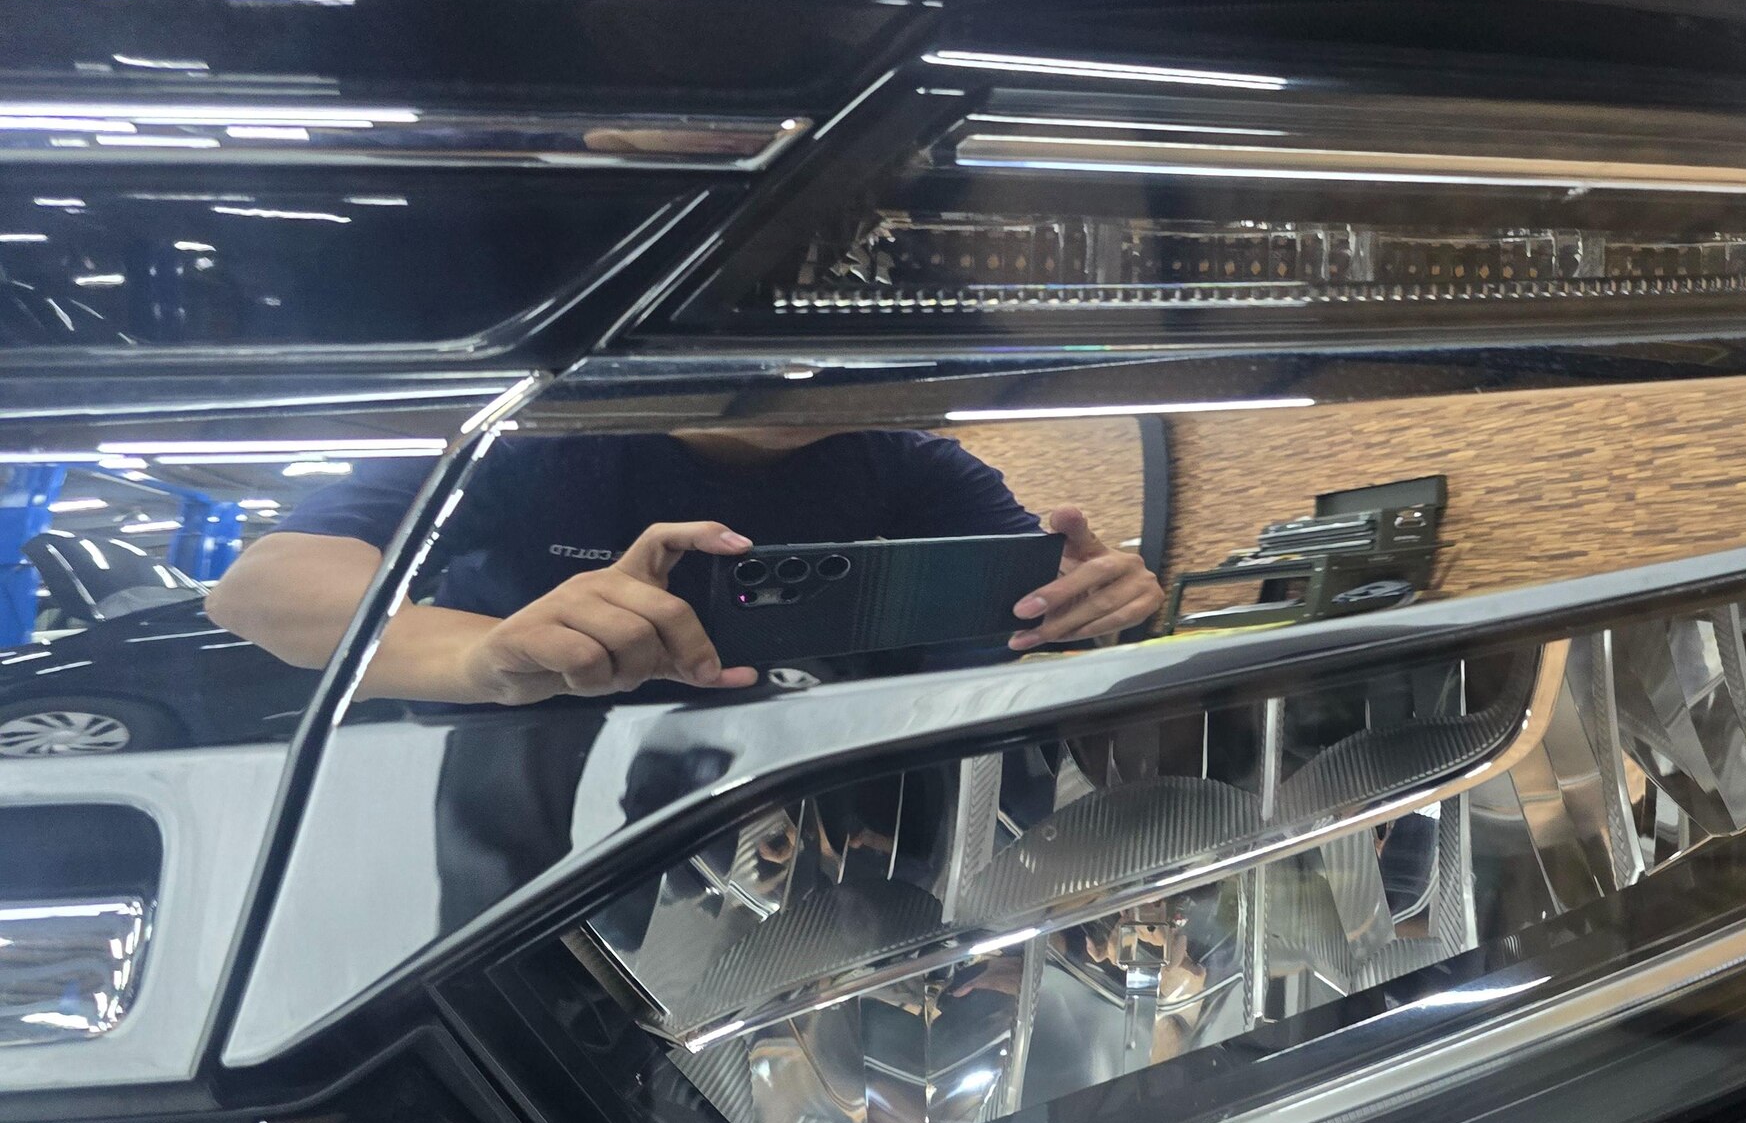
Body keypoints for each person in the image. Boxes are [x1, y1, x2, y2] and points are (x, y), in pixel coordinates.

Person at [206, 426, 1161, 702]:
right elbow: (263, 589)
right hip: (515, 794)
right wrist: (484, 655)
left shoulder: (913, 464)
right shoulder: (527, 443)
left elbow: (1023, 622)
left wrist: (1098, 610)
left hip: (795, 807)